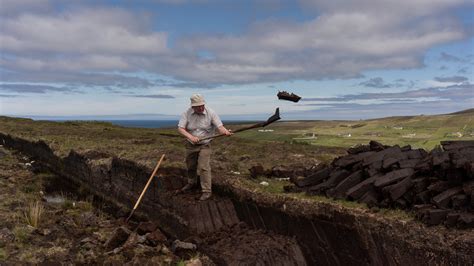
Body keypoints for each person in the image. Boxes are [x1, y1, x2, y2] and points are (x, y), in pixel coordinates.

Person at [177, 94, 232, 200]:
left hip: (205, 144)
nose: (201, 108)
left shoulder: (211, 113)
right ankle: (192, 183)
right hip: (190, 145)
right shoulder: (186, 113)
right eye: (198, 106)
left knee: (203, 167)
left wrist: (225, 132)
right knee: (191, 166)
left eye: (202, 105)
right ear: (193, 106)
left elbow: (219, 126)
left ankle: (206, 191)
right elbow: (181, 128)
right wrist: (191, 137)